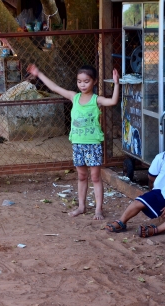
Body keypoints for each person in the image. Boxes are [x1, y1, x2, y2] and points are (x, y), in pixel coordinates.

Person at [26, 64, 120, 220]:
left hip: (93, 144)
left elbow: (113, 101)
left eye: (86, 81)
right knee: (82, 176)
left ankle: (98, 210)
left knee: (95, 177)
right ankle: (81, 207)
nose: (82, 85)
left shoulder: (97, 100)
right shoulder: (74, 97)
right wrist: (39, 73)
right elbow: (55, 87)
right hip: (77, 144)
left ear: (94, 81)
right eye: (79, 81)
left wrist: (116, 84)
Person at [106, 121, 165, 237]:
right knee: (138, 202)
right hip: (161, 194)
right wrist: (162, 187)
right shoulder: (161, 158)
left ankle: (156, 230)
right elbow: (151, 176)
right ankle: (121, 221)